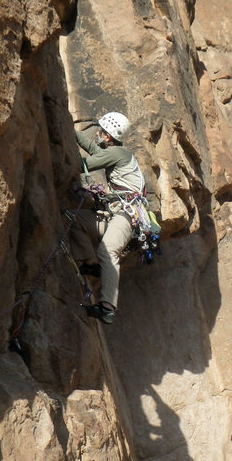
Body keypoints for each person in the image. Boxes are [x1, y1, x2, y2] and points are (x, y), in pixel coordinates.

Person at [70, 112, 146, 324]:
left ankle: (107, 308)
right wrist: (70, 131)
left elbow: (88, 163)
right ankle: (91, 263)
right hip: (114, 216)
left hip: (126, 216)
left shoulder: (120, 153)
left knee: (108, 249)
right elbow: (93, 150)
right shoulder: (115, 151)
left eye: (101, 131)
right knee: (73, 218)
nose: (97, 133)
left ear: (108, 137)